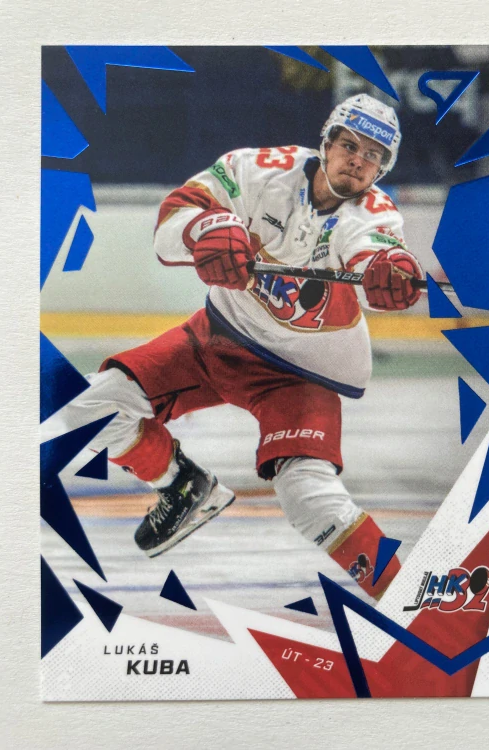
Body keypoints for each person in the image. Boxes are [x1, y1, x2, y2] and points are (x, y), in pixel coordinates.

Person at [66, 93, 423, 600]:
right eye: (349, 145)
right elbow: (172, 220)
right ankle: (181, 485)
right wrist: (204, 229)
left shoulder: (374, 214)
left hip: (301, 373)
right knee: (86, 407)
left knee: (309, 498)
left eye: (373, 155)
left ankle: (414, 608)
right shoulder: (257, 170)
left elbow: (376, 257)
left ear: (382, 169)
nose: (358, 160)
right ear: (326, 142)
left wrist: (389, 274)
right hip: (217, 339)